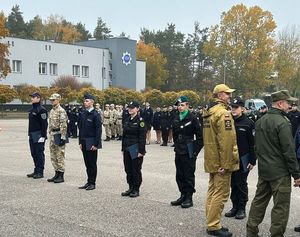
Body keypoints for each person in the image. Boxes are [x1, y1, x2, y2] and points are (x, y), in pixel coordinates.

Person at [246, 90, 300, 237]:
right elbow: (288, 151)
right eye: (288, 103)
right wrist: (296, 174)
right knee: (280, 207)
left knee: (259, 202)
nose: (290, 105)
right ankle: (276, 235)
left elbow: (257, 147)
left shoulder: (261, 120)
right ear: (280, 103)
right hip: (280, 173)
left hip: (264, 171)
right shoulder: (282, 122)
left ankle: (251, 232)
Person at [202, 84, 239, 237]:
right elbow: (227, 141)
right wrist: (226, 163)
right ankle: (213, 225)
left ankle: (211, 221)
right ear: (220, 95)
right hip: (221, 161)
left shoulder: (209, 113)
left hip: (211, 159)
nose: (229, 96)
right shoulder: (223, 114)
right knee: (221, 193)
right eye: (227, 93)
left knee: (212, 191)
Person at [224, 97, 256, 220]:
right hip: (231, 158)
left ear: (242, 108)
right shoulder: (228, 121)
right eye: (232, 107)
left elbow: (253, 144)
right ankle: (234, 207)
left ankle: (241, 208)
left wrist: (253, 161)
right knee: (233, 183)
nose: (233, 109)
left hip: (244, 158)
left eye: (236, 107)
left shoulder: (248, 123)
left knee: (241, 183)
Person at [170, 96, 203, 208]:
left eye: (182, 105)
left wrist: (195, 152)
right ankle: (182, 195)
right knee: (179, 175)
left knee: (189, 175)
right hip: (179, 149)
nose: (180, 107)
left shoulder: (193, 118)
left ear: (187, 105)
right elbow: (174, 134)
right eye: (178, 105)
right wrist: (176, 145)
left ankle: (189, 197)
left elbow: (200, 137)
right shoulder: (176, 117)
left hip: (189, 150)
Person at [121, 101, 146, 198]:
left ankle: (136, 189)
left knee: (135, 169)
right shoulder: (127, 119)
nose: (130, 109)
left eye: (132, 107)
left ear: (137, 109)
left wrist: (141, 151)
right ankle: (130, 187)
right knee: (128, 169)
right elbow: (124, 135)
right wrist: (123, 148)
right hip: (127, 147)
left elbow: (142, 137)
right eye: (129, 107)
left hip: (135, 148)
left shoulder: (141, 121)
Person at [78, 93, 102, 191]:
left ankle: (92, 183)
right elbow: (81, 128)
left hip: (91, 142)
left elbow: (98, 130)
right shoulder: (83, 113)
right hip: (84, 141)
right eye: (84, 101)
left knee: (92, 163)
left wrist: (96, 144)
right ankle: (88, 181)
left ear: (92, 102)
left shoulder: (95, 115)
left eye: (87, 101)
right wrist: (80, 142)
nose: (85, 102)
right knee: (87, 163)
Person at [47, 93, 68, 183]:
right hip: (52, 134)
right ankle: (56, 173)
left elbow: (64, 125)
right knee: (53, 155)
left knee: (60, 155)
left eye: (54, 100)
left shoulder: (61, 111)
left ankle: (61, 175)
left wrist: (63, 137)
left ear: (58, 100)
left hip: (59, 134)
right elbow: (50, 122)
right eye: (51, 100)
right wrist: (49, 131)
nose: (52, 101)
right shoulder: (52, 110)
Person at [27, 92, 48, 179]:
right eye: (31, 97)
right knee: (33, 153)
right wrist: (29, 134)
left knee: (39, 153)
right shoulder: (32, 109)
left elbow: (44, 124)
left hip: (39, 135)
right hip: (32, 134)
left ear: (38, 98)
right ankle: (36, 170)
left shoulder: (41, 109)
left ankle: (40, 172)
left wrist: (43, 136)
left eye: (33, 97)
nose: (31, 98)